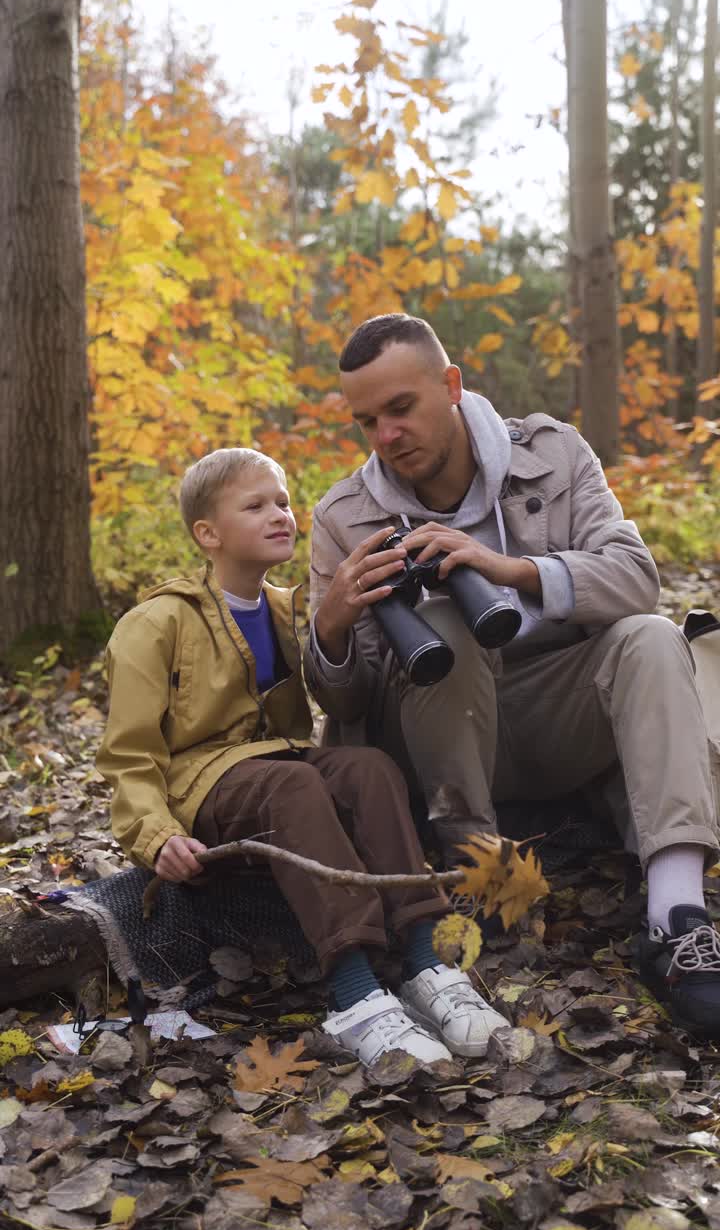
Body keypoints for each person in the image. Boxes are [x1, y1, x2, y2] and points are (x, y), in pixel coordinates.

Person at [303, 313, 720, 1037]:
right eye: (366, 421)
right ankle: (484, 879)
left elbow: (636, 579)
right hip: (437, 747)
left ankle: (677, 917)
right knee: (445, 631)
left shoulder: (552, 456)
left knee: (651, 639)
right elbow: (347, 704)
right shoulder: (346, 516)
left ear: (452, 385)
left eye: (401, 409)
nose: (385, 437)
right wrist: (332, 625)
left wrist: (507, 569)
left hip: (554, 713)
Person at [96, 446, 509, 1066]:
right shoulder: (155, 624)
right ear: (207, 533)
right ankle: (355, 995)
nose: (280, 515)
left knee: (367, 768)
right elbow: (129, 754)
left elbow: (336, 696)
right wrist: (153, 834)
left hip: (282, 765)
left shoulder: (291, 610)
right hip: (201, 784)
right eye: (255, 505)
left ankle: (428, 959)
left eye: (284, 503)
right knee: (292, 787)